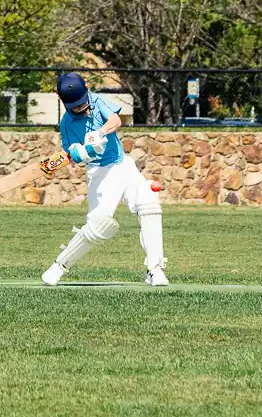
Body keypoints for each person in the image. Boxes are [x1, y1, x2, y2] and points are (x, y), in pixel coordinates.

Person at [36, 70, 168, 286]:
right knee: (97, 226)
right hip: (99, 173)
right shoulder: (67, 124)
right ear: (63, 101)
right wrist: (82, 153)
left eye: (82, 103)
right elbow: (71, 154)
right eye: (75, 106)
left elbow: (116, 121)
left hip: (122, 165)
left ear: (86, 90)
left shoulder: (97, 100)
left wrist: (100, 133)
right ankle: (59, 266)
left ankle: (155, 269)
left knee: (149, 204)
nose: (81, 108)